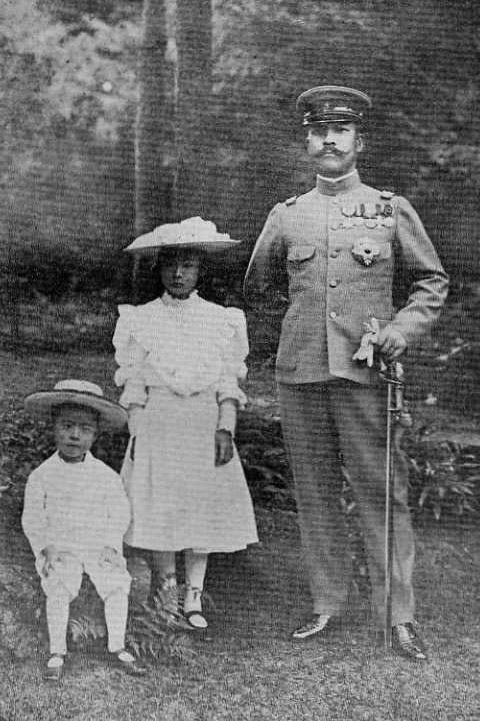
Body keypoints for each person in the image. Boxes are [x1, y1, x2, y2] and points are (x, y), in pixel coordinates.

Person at [244, 85, 448, 660]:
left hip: (367, 375)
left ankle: (397, 615)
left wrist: (399, 332)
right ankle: (327, 603)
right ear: (307, 141)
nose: (328, 140)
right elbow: (257, 290)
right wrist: (288, 337)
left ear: (361, 140)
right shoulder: (287, 216)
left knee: (384, 493)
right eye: (317, 131)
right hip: (301, 375)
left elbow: (432, 282)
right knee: (314, 495)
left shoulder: (389, 209)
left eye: (340, 130)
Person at [113, 216, 258, 630]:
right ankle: (166, 593)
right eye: (171, 264)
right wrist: (138, 429)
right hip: (159, 422)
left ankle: (194, 596)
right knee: (161, 504)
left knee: (201, 506)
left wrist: (225, 426)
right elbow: (134, 383)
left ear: (200, 270)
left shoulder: (221, 320)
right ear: (159, 268)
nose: (178, 273)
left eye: (188, 265)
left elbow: (228, 381)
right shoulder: (140, 319)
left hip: (202, 423)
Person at [22, 379, 146, 681]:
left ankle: (117, 645)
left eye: (84, 429)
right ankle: (57, 651)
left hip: (95, 543)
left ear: (95, 434)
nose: (74, 435)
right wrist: (47, 547)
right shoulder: (42, 475)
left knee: (116, 579)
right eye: (66, 426)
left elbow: (119, 512)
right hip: (60, 545)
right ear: (54, 427)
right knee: (60, 581)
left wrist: (110, 545)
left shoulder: (105, 476)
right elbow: (33, 518)